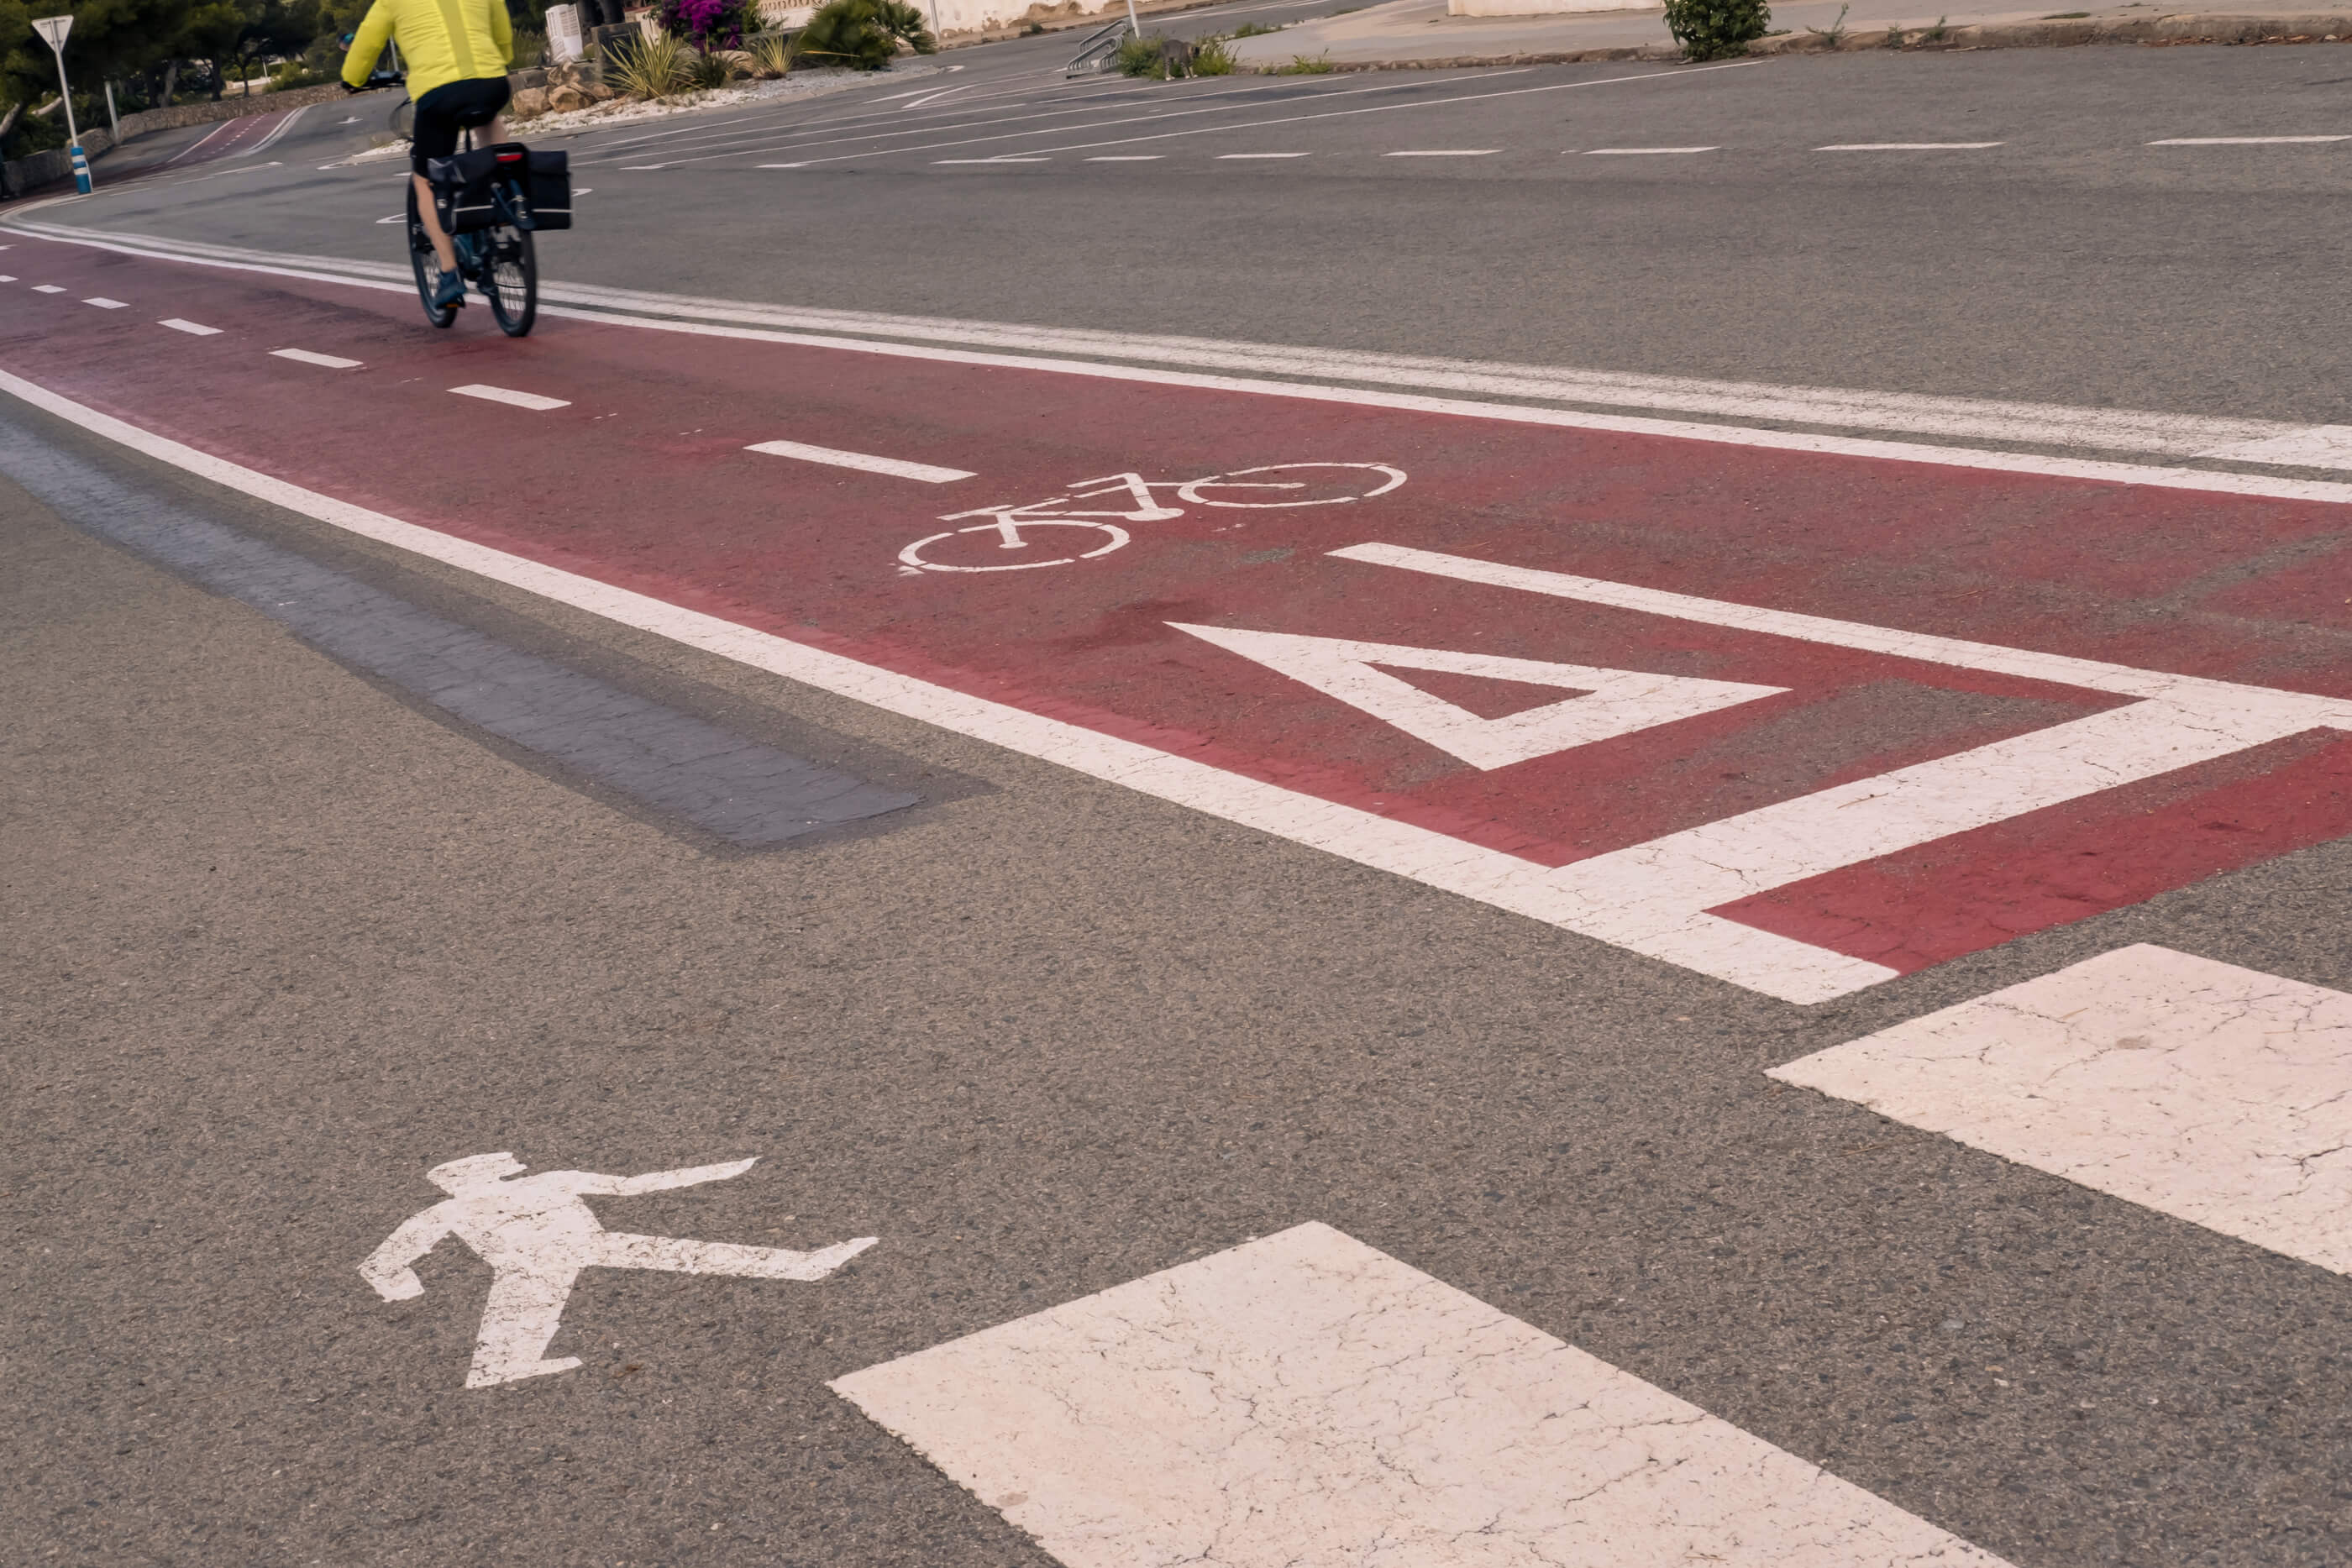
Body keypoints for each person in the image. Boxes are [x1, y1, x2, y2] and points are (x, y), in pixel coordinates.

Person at [360, 1152, 878, 1387]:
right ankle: (808, 1265)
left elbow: (631, 1185)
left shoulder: (453, 1208)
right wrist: (397, 1283)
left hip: (564, 1250)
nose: (509, 1165)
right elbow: (635, 1185)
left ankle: (808, 1265)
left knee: (680, 1252)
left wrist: (400, 1284)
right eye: (496, 1165)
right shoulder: (459, 1208)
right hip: (545, 1258)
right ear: (475, 1176)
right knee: (682, 1252)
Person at [340, 0, 517, 311]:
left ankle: (449, 274)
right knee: (490, 126)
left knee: (425, 180)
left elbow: (366, 42)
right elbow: (501, 27)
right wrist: (500, 59)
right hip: (491, 83)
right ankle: (507, 188)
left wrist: (353, 79)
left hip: (440, 94)